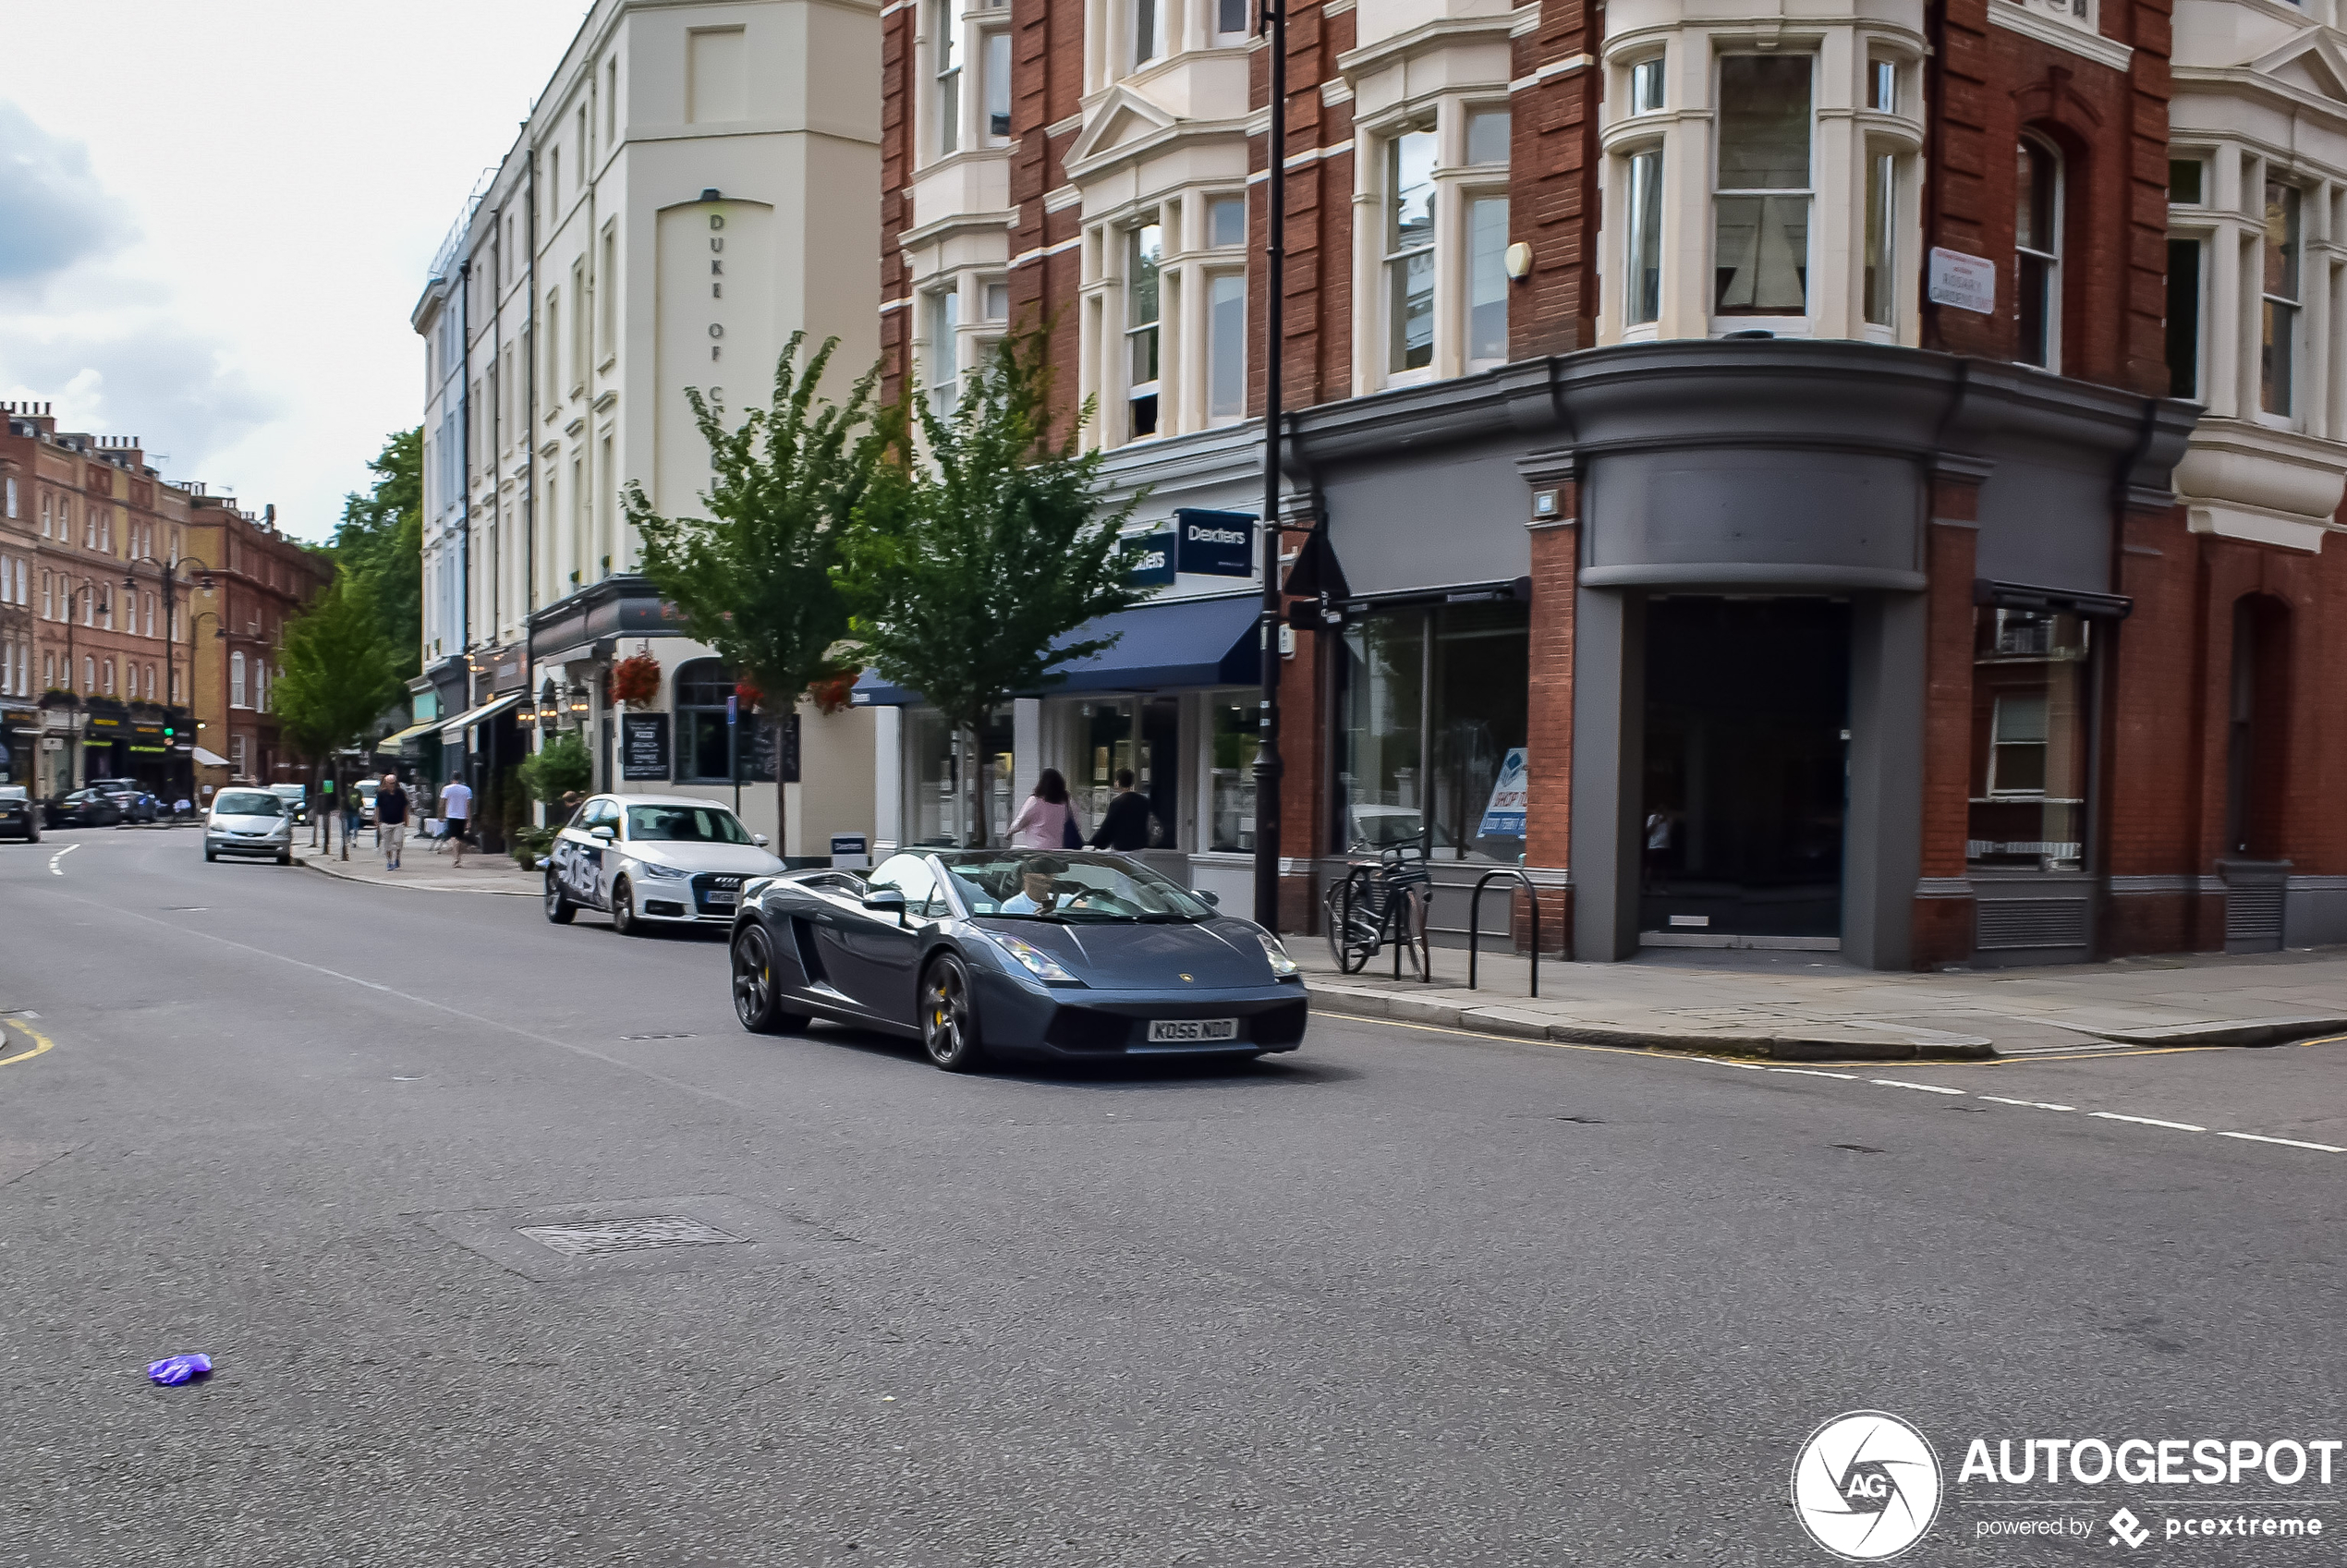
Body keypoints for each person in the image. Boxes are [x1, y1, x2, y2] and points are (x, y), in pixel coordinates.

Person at [1005, 768, 1080, 850]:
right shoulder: (1067, 801)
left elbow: (1021, 820)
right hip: (1058, 849)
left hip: (1037, 849)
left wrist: (1010, 832)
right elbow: (1076, 819)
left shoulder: (1035, 800)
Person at [1088, 769, 1152, 852]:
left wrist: (1094, 844)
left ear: (1118, 782)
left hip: (1123, 847)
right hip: (1141, 847)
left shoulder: (1117, 803)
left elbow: (1108, 826)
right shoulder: (1144, 801)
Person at [1001, 856, 1066, 915]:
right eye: (1040, 871)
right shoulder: (1011, 907)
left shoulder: (1066, 901)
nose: (1046, 877)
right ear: (1024, 874)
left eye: (1050, 872)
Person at [376, 772, 410, 870]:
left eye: (394, 783)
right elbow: (378, 807)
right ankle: (390, 861)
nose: (392, 785)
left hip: (398, 822)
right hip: (385, 822)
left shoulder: (400, 793)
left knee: (398, 841)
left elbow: (405, 807)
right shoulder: (381, 794)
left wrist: (406, 819)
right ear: (386, 783)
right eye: (390, 783)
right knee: (387, 845)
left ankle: (397, 858)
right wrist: (377, 820)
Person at [439, 774, 474, 867]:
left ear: (452, 779)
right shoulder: (467, 790)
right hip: (462, 816)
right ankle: (458, 857)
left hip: (451, 815)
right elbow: (468, 806)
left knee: (453, 837)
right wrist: (469, 819)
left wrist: (440, 814)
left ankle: (456, 858)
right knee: (460, 838)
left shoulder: (447, 788)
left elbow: (442, 803)